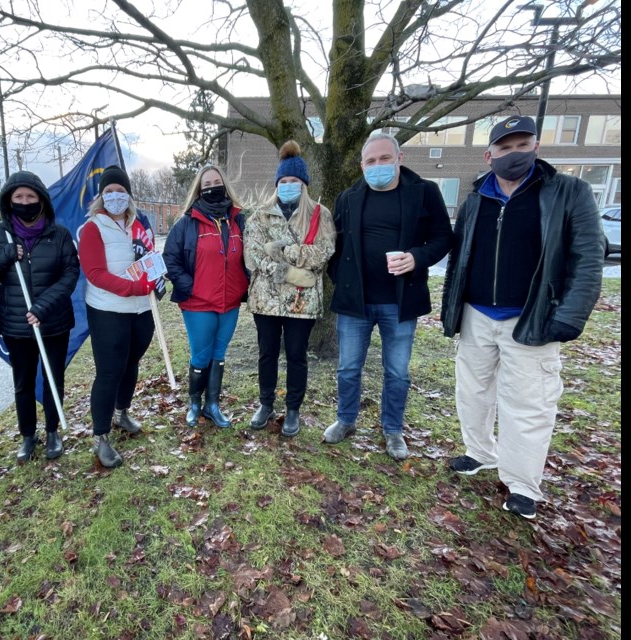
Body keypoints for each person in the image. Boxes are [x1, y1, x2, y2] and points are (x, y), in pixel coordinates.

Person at [441, 115, 603, 520]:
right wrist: (452, 309)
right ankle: (479, 451)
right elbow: (460, 258)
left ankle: (522, 484)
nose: (513, 154)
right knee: (472, 393)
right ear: (489, 153)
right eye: (505, 147)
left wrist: (570, 314)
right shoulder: (477, 195)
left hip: (531, 318)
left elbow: (588, 259)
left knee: (528, 404)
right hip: (477, 313)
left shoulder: (568, 193)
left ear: (536, 147)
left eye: (521, 145)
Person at [323, 131, 452, 460]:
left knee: (397, 372)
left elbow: (443, 238)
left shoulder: (425, 193)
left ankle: (393, 430)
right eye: (370, 161)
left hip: (400, 301)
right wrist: (339, 277)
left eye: (384, 158)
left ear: (399, 158)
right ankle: (345, 420)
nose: (377, 165)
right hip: (355, 302)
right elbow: (333, 243)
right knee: (348, 368)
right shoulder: (349, 197)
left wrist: (416, 257)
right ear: (362, 164)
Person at [0, 171, 80, 465]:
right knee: (22, 382)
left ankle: (52, 431)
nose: (25, 202)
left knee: (52, 378)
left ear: (41, 199)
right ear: (9, 201)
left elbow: (70, 274)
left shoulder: (58, 234)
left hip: (54, 322)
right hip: (16, 325)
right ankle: (27, 434)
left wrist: (43, 307)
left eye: (30, 196)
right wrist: (4, 256)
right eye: (18, 197)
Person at [243, 141, 335, 437]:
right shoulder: (260, 215)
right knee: (267, 353)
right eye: (283, 181)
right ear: (277, 183)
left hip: (301, 301)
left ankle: (293, 409)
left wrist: (284, 250)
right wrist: (285, 270)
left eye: (294, 181)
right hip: (266, 300)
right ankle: (266, 403)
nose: (288, 185)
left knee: (296, 354)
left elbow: (322, 253)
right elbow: (253, 255)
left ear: (303, 184)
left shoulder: (320, 215)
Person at [76, 166, 158, 468]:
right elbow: (95, 274)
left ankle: (123, 412)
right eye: (109, 191)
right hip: (108, 311)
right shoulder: (93, 228)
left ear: (129, 195)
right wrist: (133, 287)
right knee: (110, 371)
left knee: (131, 363)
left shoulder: (139, 224)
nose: (115, 196)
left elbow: (151, 258)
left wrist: (154, 279)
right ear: (101, 196)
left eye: (120, 191)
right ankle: (101, 436)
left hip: (142, 310)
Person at [164, 164, 250, 429]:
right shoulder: (187, 223)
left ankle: (212, 405)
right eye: (206, 184)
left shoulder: (238, 221)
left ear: (224, 184)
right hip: (198, 304)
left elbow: (250, 256)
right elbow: (170, 258)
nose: (212, 187)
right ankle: (194, 404)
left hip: (230, 302)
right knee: (201, 356)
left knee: (219, 354)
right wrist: (189, 287)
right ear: (199, 190)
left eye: (216, 182)